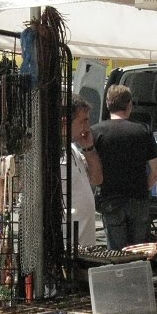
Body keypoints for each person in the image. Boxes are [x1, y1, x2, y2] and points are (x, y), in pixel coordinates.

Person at [90, 84, 157, 250]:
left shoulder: (96, 132)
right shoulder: (142, 131)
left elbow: (91, 169)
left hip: (110, 198)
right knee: (139, 251)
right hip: (138, 198)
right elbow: (155, 172)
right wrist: (144, 188)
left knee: (116, 252)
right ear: (129, 105)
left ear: (107, 105)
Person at [63, 95, 103, 247]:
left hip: (85, 244)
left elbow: (97, 179)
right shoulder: (52, 155)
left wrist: (89, 148)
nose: (88, 128)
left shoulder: (73, 149)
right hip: (69, 245)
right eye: (83, 121)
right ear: (65, 123)